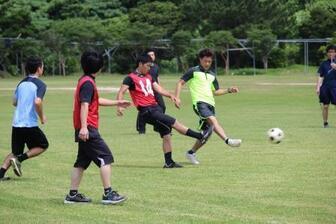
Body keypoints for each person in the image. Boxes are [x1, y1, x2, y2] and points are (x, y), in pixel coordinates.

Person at [116, 54, 212, 168]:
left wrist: (171, 96)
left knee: (166, 132)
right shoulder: (130, 78)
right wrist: (119, 105)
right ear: (140, 64)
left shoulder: (149, 76)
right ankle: (200, 136)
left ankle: (169, 162)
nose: (149, 68)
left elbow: (158, 89)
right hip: (147, 111)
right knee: (174, 122)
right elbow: (121, 92)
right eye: (147, 65)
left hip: (155, 108)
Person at [64, 50, 130, 204]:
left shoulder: (85, 80)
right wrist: (84, 127)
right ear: (100, 67)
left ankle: (72, 195)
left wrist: (118, 102)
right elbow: (84, 105)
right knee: (105, 157)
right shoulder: (88, 83)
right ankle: (108, 194)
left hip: (84, 127)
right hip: (88, 128)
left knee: (81, 162)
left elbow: (95, 101)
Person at [174, 48, 242, 165]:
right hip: (199, 104)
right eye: (205, 61)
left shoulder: (212, 75)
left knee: (207, 134)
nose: (207, 64)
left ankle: (191, 152)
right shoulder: (193, 71)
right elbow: (180, 82)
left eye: (209, 62)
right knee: (213, 121)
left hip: (210, 105)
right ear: (200, 59)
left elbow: (215, 91)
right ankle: (227, 140)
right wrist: (177, 97)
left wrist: (229, 90)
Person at [0, 56, 49, 181]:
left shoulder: (21, 83)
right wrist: (42, 117)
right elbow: (38, 102)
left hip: (17, 123)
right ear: (39, 69)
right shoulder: (41, 84)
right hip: (29, 124)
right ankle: (19, 160)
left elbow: (14, 102)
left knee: (15, 151)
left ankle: (1, 174)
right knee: (43, 145)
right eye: (42, 66)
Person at [136, 49, 166, 134]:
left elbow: (157, 77)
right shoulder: (143, 66)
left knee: (162, 107)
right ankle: (141, 128)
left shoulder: (156, 67)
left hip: (156, 90)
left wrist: (160, 87)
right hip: (147, 91)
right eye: (150, 55)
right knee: (144, 109)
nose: (151, 57)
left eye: (153, 55)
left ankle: (157, 126)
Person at [315, 45, 336, 128]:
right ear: (327, 53)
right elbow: (320, 76)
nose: (331, 53)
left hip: (335, 87)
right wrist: (318, 87)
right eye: (330, 52)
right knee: (325, 106)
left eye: (333, 51)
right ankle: (325, 123)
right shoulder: (324, 63)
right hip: (325, 87)